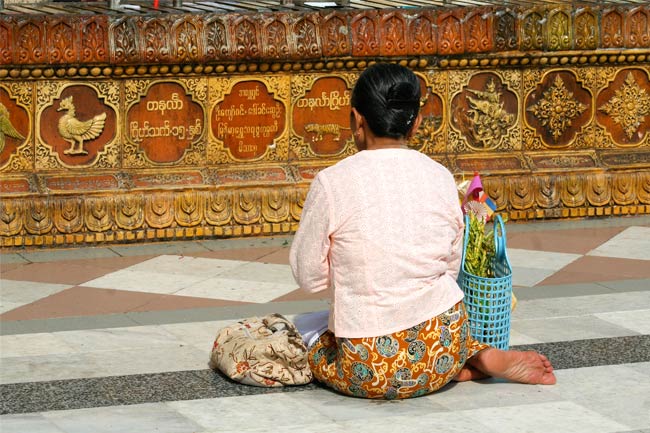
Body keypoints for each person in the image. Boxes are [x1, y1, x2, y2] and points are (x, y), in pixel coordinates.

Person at [289, 63, 556, 400]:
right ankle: (467, 358)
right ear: (415, 122)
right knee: (426, 305)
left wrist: (355, 272)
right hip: (444, 340)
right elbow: (451, 266)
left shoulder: (332, 182)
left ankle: (429, 369)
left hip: (371, 368)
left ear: (357, 119)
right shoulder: (440, 176)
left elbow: (309, 277)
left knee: (303, 330)